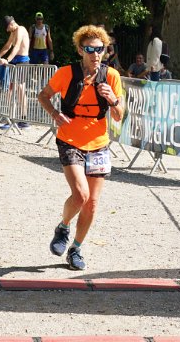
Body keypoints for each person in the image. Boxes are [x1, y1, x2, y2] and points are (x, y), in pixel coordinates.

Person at [37, 25, 125, 271]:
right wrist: (55, 113)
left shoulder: (111, 76)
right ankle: (63, 227)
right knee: (80, 195)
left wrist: (112, 99)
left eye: (100, 49)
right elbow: (43, 96)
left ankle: (75, 248)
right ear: (80, 50)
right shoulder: (66, 73)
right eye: (90, 49)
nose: (96, 54)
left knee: (92, 203)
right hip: (70, 140)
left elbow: (119, 115)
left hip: (98, 144)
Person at [0, 16, 32, 127]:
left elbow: (17, 47)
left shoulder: (20, 29)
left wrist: (7, 60)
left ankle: (24, 119)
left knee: (20, 89)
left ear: (11, 24)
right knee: (9, 90)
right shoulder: (13, 32)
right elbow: (7, 46)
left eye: (7, 28)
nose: (7, 31)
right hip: (15, 61)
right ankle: (11, 117)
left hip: (22, 62)